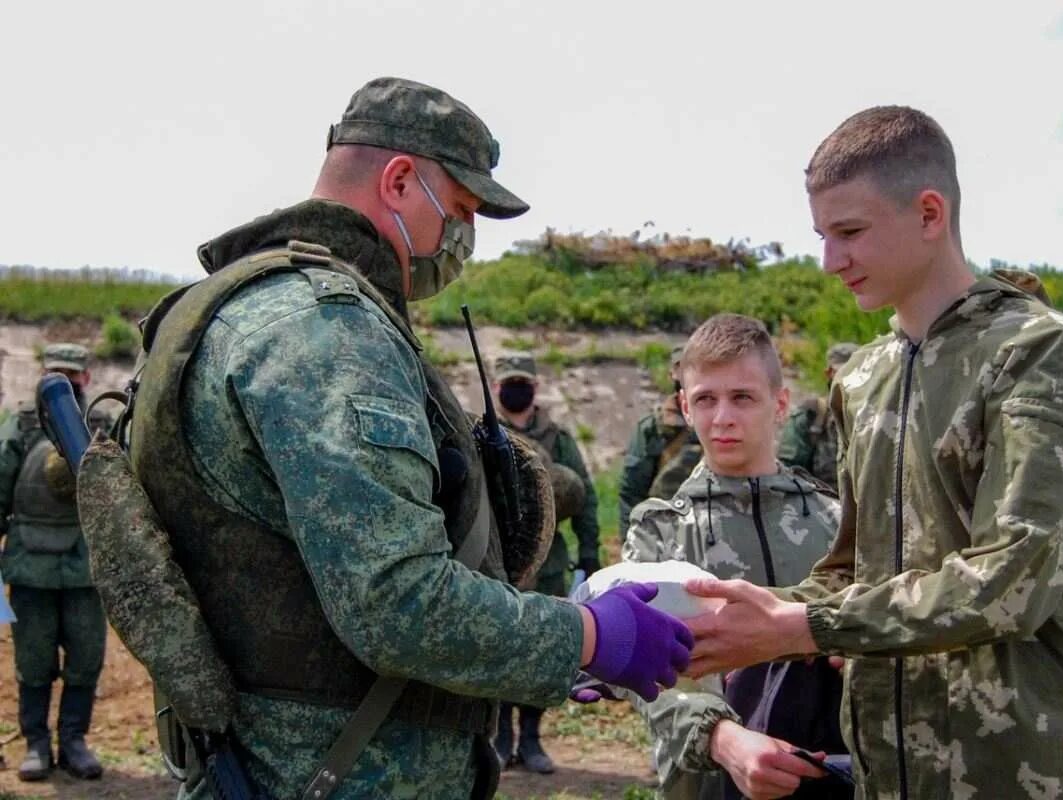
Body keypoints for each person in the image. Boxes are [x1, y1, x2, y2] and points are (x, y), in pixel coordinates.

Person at [108, 77, 691, 799]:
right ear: (399, 180)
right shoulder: (322, 331)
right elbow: (397, 603)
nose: (464, 240)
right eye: (463, 210)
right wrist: (593, 637)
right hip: (340, 768)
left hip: (286, 759)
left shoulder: (240, 309)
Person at [683, 106, 1063, 798]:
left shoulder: (1036, 353)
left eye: (850, 232)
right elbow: (851, 570)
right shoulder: (863, 379)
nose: (830, 262)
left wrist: (799, 626)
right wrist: (732, 617)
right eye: (822, 236)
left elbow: (1015, 580)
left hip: (1019, 763)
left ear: (928, 213)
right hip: (889, 762)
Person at [624, 314, 848, 800]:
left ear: (780, 403)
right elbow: (644, 667)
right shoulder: (660, 529)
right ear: (685, 406)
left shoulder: (837, 522)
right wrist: (721, 739)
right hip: (708, 781)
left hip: (832, 772)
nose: (722, 417)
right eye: (705, 398)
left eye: (742, 397)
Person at [0, 343, 107, 781]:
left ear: (87, 377)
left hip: (86, 565)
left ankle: (74, 741)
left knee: (86, 657)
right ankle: (37, 745)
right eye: (57, 372)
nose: (66, 382)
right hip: (31, 565)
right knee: (34, 658)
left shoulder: (103, 424)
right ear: (42, 373)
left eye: (73, 374)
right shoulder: (22, 425)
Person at [490, 352, 601, 773]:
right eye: (507, 382)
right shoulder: (484, 432)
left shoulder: (558, 439)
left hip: (549, 563)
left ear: (534, 388)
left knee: (541, 652)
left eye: (522, 382)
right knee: (499, 650)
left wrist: (589, 555)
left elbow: (585, 497)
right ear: (496, 387)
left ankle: (533, 739)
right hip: (498, 563)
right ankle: (501, 736)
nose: (514, 389)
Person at [620, 346, 703, 537]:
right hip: (663, 535)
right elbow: (632, 493)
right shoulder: (653, 428)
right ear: (672, 375)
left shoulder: (724, 422)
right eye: (682, 370)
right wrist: (631, 543)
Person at [778, 342, 858, 489]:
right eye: (843, 372)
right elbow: (786, 473)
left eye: (855, 371)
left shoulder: (876, 418)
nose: (849, 378)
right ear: (829, 373)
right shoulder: (812, 415)